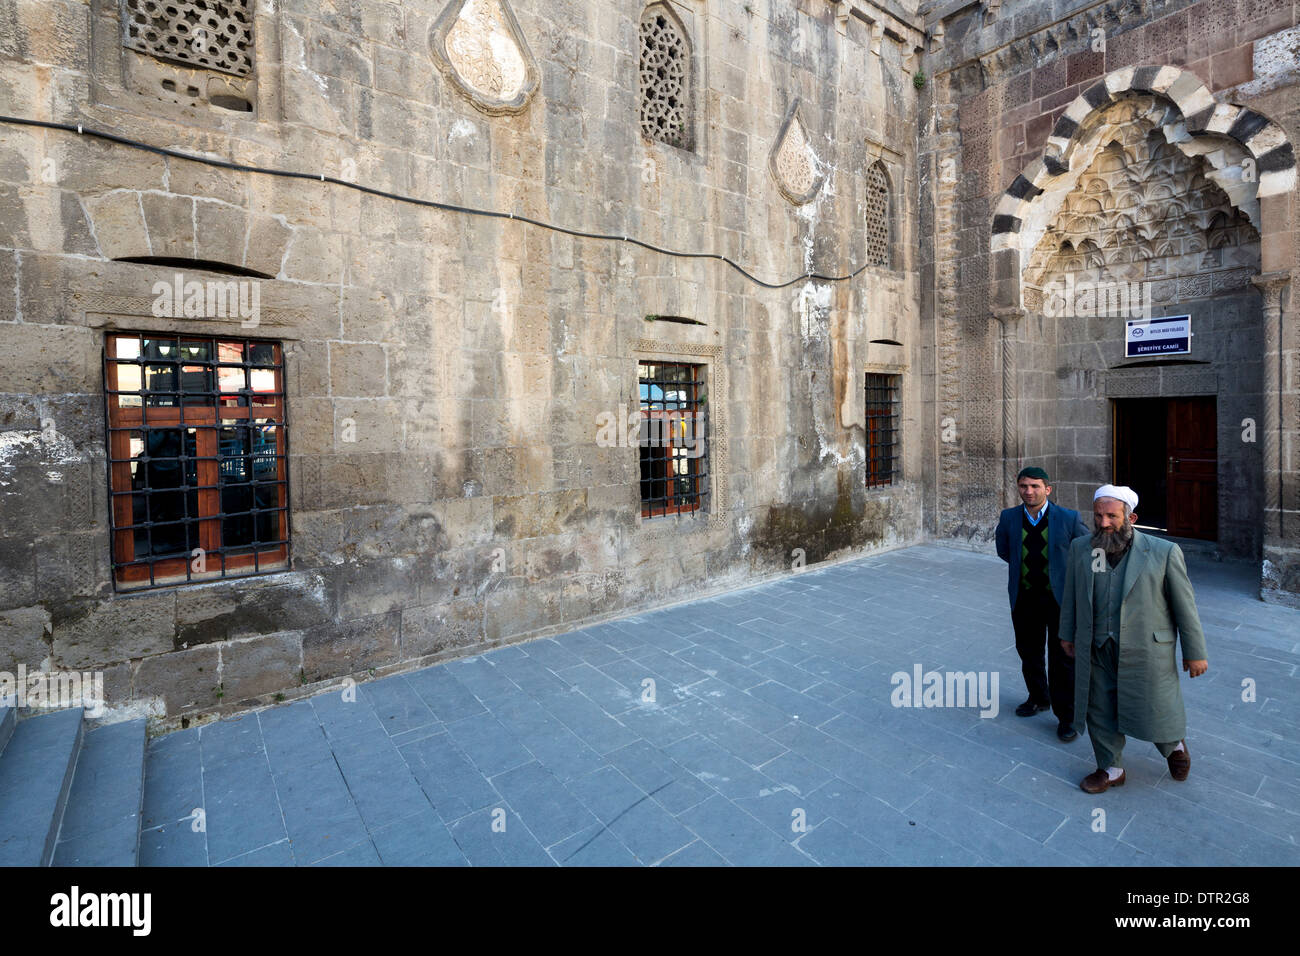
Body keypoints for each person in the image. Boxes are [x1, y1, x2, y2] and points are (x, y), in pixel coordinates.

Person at [1059, 485, 1209, 793]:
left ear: (1131, 517)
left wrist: (1195, 652)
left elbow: (1185, 606)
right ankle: (1111, 768)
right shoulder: (1081, 548)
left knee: (1152, 706)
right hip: (1096, 645)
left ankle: (1173, 746)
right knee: (1098, 707)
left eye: (1111, 516)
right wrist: (1067, 633)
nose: (1103, 523)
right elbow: (1071, 595)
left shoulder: (1163, 552)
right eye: (1098, 516)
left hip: (1146, 648)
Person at [995, 466, 1090, 741]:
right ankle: (1039, 697)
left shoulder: (1068, 518)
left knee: (1062, 658)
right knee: (1029, 651)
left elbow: (1083, 550)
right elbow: (1004, 550)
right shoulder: (1009, 517)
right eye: (1024, 486)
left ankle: (1067, 717)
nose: (1029, 491)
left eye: (1035, 486)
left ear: (1048, 489)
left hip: (1059, 601)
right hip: (1025, 597)